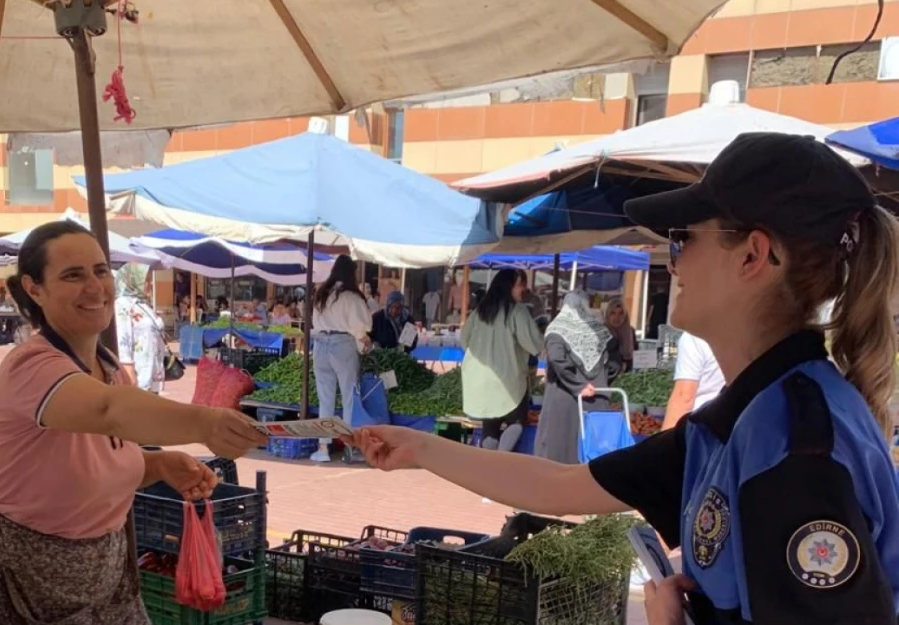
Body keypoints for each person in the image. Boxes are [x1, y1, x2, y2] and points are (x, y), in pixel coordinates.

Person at [347, 133, 899, 625]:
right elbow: (563, 488)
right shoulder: (742, 419)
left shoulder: (795, 452)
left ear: (753, 255)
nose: (671, 261)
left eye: (684, 238)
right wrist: (418, 448)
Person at [0, 220, 266, 624]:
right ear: (34, 289)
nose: (95, 287)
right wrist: (204, 424)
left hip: (103, 585)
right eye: (73, 275)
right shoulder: (31, 366)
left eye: (100, 271)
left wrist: (159, 464)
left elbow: (92, 464)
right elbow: (108, 411)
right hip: (14, 586)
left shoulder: (108, 367)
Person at [460, 269, 543, 452]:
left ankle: (489, 464)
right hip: (507, 378)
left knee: (490, 424)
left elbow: (463, 340)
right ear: (508, 286)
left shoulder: (479, 311)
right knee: (517, 421)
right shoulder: (517, 311)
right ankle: (502, 458)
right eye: (520, 285)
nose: (524, 289)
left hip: (479, 378)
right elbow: (534, 344)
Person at [535, 290, 612, 464]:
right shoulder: (599, 330)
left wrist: (577, 385)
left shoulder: (558, 329)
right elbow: (615, 362)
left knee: (560, 453)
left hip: (563, 398)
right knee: (590, 455)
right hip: (597, 397)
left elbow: (556, 357)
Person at [310, 255, 372, 463]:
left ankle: (322, 448)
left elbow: (314, 321)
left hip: (320, 345)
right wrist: (365, 341)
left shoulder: (321, 294)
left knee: (325, 398)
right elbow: (360, 327)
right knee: (348, 396)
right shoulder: (351, 297)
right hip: (342, 345)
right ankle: (349, 446)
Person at [114, 265, 166, 394]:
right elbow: (122, 339)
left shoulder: (142, 304)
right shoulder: (122, 304)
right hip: (138, 376)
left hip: (153, 374)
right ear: (133, 281)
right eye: (146, 281)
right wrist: (128, 369)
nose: (151, 284)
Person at [663, 332, 725, 429]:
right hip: (733, 423)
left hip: (700, 426)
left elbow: (684, 397)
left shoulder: (694, 337)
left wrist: (665, 441)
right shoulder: (745, 332)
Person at [604, 297, 637, 378]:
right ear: (608, 314)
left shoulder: (630, 332)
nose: (617, 317)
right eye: (613, 313)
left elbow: (635, 355)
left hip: (627, 377)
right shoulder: (602, 332)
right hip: (606, 376)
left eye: (621, 313)